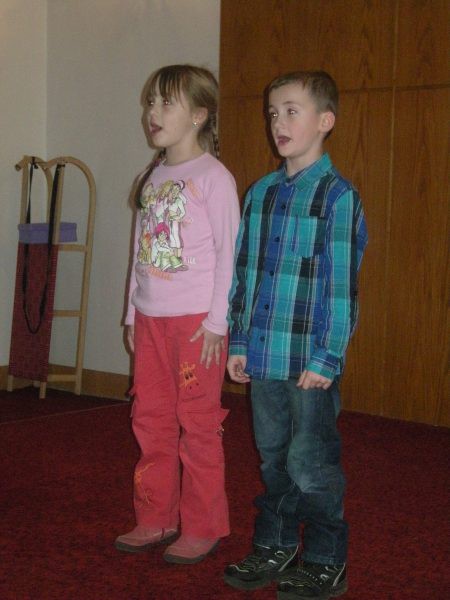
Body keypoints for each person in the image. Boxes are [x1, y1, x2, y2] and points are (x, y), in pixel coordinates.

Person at [224, 71, 368, 599]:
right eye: (272, 113)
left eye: (291, 111)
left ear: (325, 121)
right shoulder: (259, 194)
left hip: (309, 363)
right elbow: (244, 273)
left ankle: (327, 559)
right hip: (264, 357)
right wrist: (240, 340)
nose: (278, 123)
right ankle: (276, 544)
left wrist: (328, 356)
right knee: (272, 458)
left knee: (312, 464)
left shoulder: (338, 197)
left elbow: (340, 288)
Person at [116, 64, 240, 564]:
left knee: (198, 424)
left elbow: (230, 256)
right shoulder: (152, 177)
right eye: (151, 102)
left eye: (166, 102)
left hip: (195, 326)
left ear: (199, 115)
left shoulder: (214, 178)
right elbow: (140, 252)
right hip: (150, 320)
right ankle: (156, 517)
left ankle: (204, 524)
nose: (153, 112)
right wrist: (132, 313)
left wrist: (217, 323)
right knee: (150, 419)